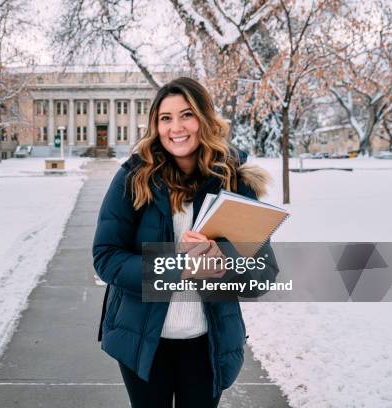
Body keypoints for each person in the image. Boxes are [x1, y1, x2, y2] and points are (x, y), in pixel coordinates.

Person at [92, 77, 278, 408]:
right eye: (166, 118)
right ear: (156, 125)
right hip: (144, 343)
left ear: (204, 119)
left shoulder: (232, 182)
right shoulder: (134, 178)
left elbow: (262, 273)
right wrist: (177, 264)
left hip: (208, 344)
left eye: (187, 114)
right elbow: (107, 257)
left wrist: (222, 262)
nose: (176, 127)